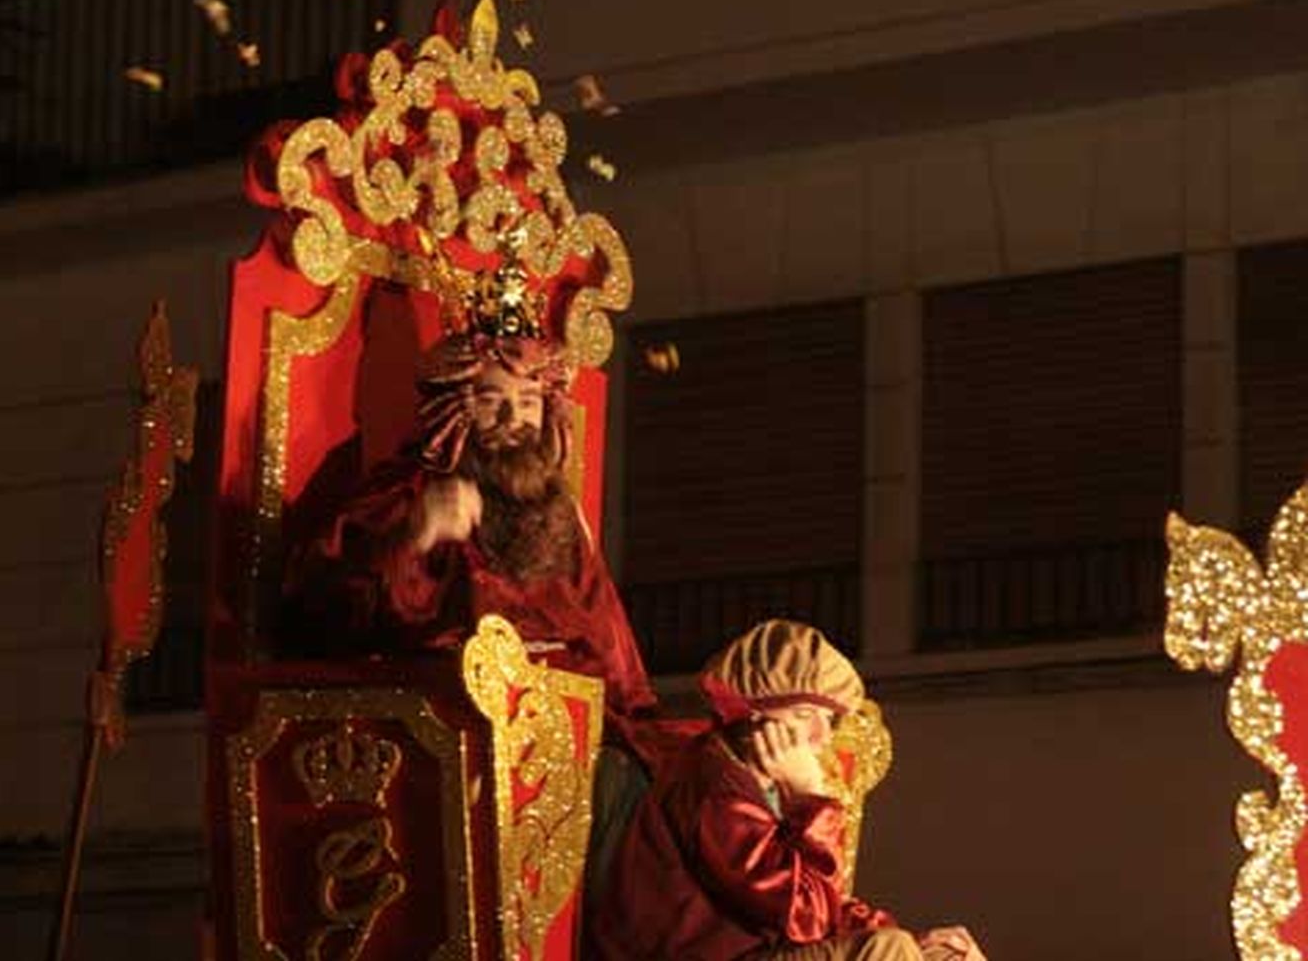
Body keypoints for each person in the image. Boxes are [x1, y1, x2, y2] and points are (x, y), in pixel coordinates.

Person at [282, 326, 658, 741]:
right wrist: (412, 537)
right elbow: (315, 618)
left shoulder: (556, 511)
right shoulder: (406, 492)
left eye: (528, 402)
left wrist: (639, 728)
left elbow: (609, 641)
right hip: (452, 727)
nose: (513, 419)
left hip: (570, 730)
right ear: (455, 409)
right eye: (491, 401)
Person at [587, 619, 987, 961]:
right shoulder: (713, 782)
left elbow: (821, 903)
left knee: (933, 954)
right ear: (753, 713)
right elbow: (805, 914)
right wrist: (812, 798)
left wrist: (922, 946)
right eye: (802, 714)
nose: (819, 736)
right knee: (887, 952)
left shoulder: (757, 779)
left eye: (827, 720)